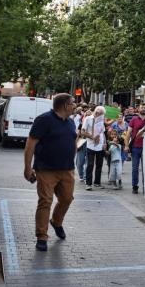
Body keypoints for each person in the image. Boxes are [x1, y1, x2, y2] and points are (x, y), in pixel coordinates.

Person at [23, 93, 77, 252]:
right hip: (46, 169)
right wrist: (27, 167)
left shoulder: (71, 122)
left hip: (67, 169)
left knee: (67, 199)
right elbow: (30, 144)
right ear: (65, 105)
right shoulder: (44, 120)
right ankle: (41, 236)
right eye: (72, 103)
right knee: (45, 201)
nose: (74, 106)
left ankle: (57, 221)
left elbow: (73, 141)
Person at [124, 104, 145, 194]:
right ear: (138, 109)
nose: (143, 109)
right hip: (135, 147)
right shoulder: (134, 120)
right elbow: (128, 133)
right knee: (135, 168)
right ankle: (135, 186)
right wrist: (126, 145)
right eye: (142, 107)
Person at [83, 106, 106, 191]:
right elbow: (83, 131)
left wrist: (104, 143)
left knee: (99, 164)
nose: (99, 114)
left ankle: (97, 182)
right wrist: (92, 137)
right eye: (98, 113)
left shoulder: (101, 120)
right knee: (90, 164)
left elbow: (102, 133)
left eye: (101, 113)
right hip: (90, 145)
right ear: (95, 112)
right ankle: (88, 183)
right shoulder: (88, 119)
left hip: (100, 145)